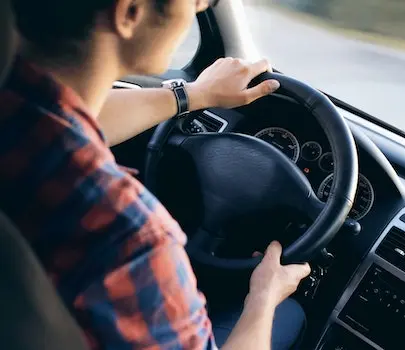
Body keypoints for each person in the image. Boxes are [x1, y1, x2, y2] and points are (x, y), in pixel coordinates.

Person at [0, 0, 311, 349]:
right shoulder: (130, 238)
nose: (202, 5)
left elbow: (68, 120)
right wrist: (263, 297)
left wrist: (195, 94)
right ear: (129, 12)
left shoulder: (18, 111)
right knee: (290, 314)